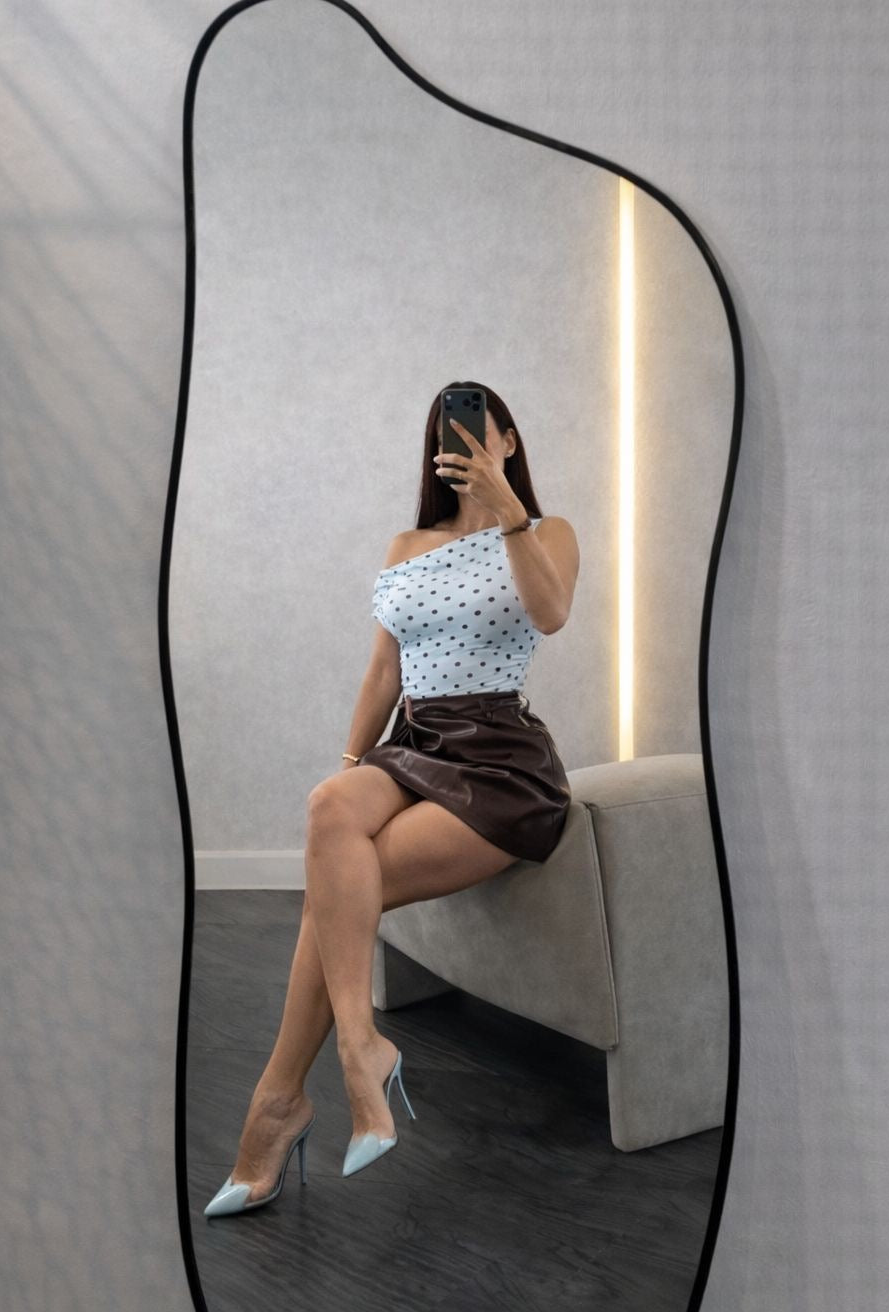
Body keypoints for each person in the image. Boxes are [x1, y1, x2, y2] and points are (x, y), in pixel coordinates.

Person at [205, 383, 579, 1215]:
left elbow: (552, 614)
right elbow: (383, 670)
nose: (465, 446)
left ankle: (279, 1104)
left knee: (330, 898)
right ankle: (357, 1048)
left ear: (508, 441)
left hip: (499, 761)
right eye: (449, 436)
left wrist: (509, 512)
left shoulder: (546, 531)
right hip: (414, 743)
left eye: (479, 432)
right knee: (329, 809)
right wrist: (352, 767)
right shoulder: (406, 545)